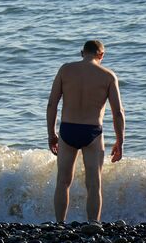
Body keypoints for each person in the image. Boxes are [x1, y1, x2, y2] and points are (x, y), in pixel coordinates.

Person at [47, 40, 125, 222]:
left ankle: (59, 224)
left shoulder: (65, 70)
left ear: (82, 53)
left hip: (68, 129)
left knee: (63, 182)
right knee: (94, 184)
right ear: (102, 55)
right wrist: (120, 141)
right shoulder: (108, 76)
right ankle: (93, 225)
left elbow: (52, 104)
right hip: (93, 132)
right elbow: (118, 113)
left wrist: (51, 134)